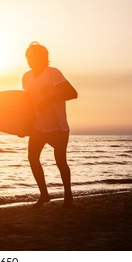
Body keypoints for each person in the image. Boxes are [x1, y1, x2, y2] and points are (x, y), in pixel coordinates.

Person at [22, 42, 78, 208]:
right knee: (33, 158)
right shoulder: (26, 77)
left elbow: (72, 93)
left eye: (34, 56)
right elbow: (26, 104)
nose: (30, 60)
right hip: (37, 126)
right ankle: (44, 194)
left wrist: (49, 99)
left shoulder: (53, 73)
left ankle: (68, 196)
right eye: (28, 57)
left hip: (57, 127)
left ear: (43, 57)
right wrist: (21, 127)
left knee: (61, 162)